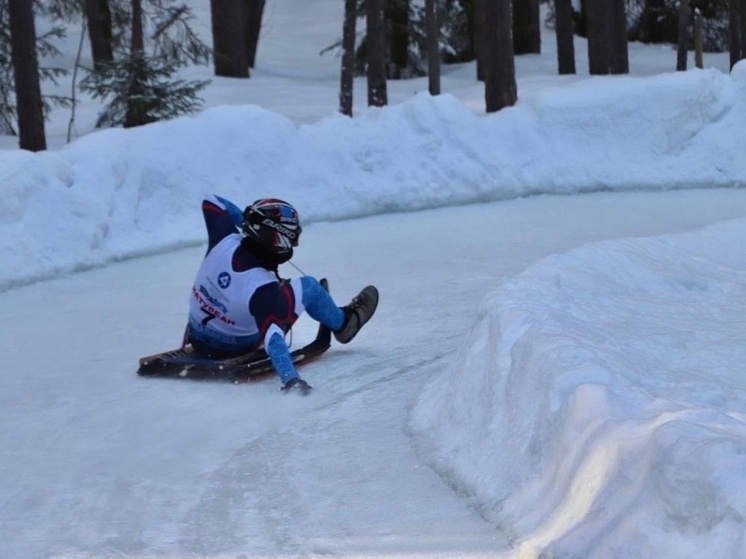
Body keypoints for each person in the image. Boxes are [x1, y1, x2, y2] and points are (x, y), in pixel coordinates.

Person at [186, 194, 378, 394]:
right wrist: (291, 380)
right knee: (309, 286)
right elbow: (273, 339)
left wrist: (248, 220)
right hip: (234, 348)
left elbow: (212, 200)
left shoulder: (223, 238)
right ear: (280, 240)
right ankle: (344, 323)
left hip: (197, 336)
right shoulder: (263, 289)